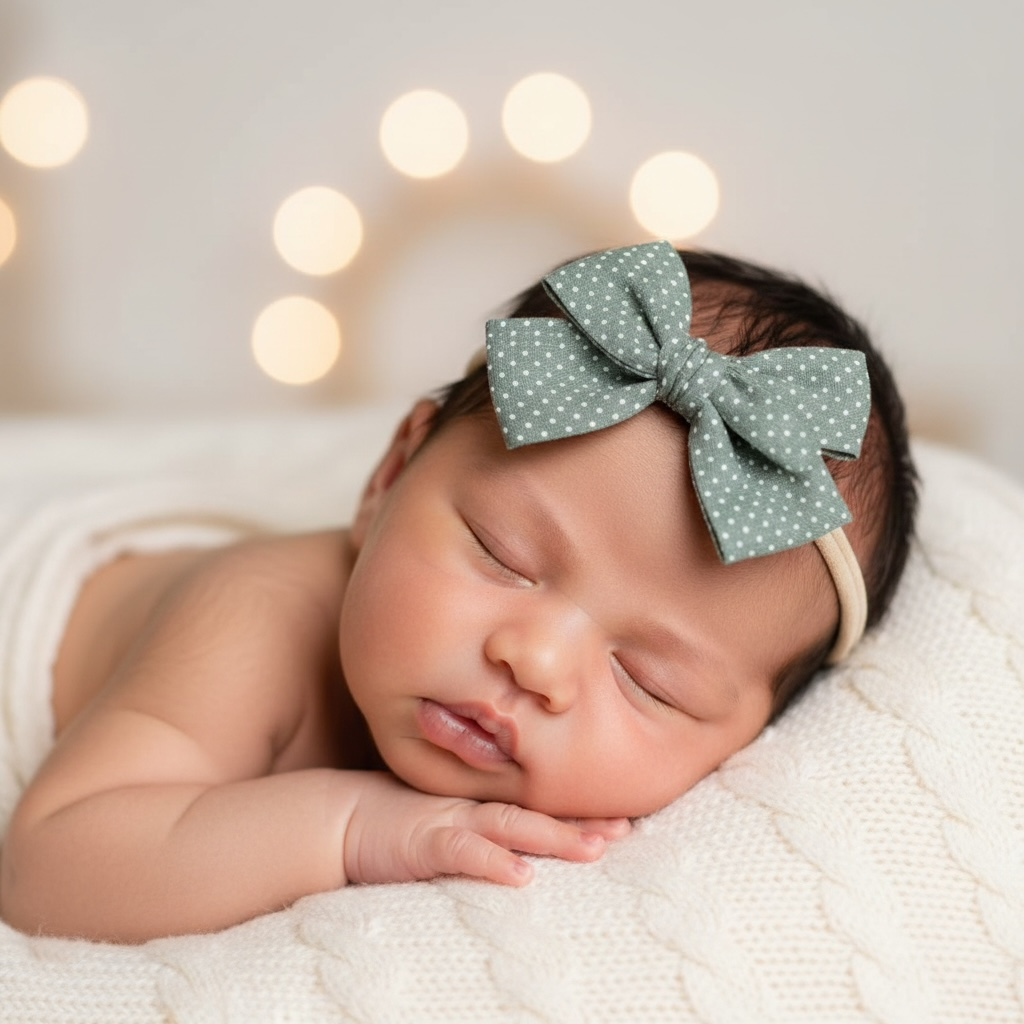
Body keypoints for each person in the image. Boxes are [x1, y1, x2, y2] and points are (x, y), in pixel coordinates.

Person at [0, 241, 917, 943]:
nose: (535, 660)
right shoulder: (258, 616)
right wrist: (356, 827)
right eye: (502, 554)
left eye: (649, 682)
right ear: (390, 474)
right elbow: (54, 867)